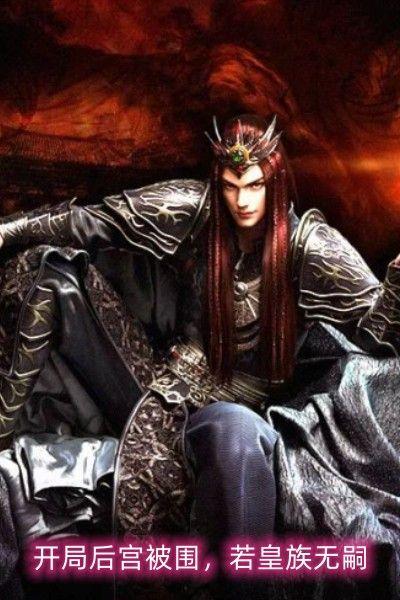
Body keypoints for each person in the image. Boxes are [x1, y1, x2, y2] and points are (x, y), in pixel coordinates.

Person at [0, 114, 399, 599]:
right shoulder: (196, 208)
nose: (243, 201)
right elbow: (91, 222)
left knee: (231, 434)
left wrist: (396, 288)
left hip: (231, 412)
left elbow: (374, 339)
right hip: (155, 381)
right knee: (49, 273)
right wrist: (5, 231)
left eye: (254, 186)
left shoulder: (310, 247)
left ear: (274, 182)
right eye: (232, 186)